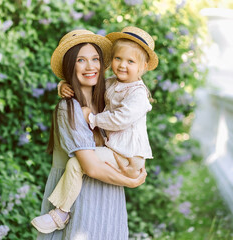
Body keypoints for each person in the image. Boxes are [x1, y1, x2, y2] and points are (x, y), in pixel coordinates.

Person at [41, 26, 158, 234]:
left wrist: (91, 116)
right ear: (70, 65)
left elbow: (125, 99)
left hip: (109, 196)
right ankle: (61, 212)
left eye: (95, 59)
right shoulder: (70, 107)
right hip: (81, 200)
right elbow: (92, 168)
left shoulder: (106, 98)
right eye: (80, 60)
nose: (90, 66)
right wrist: (131, 181)